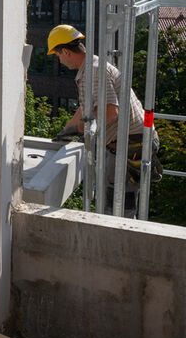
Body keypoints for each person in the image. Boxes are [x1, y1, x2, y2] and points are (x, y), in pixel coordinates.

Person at [48, 24, 161, 216]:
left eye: (58, 55)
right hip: (128, 140)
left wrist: (84, 129)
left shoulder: (92, 71)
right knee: (111, 196)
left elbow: (111, 111)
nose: (59, 60)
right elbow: (87, 108)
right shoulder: (91, 66)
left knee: (118, 206)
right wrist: (68, 129)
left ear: (65, 51)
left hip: (131, 143)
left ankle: (121, 239)